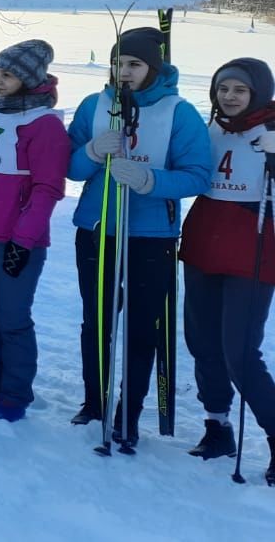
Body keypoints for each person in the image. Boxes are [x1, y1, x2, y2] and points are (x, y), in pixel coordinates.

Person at [67, 26, 211, 450]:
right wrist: (92, 152)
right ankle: (95, 401)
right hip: (97, 228)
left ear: (154, 67)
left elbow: (197, 175)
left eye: (134, 64)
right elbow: (71, 168)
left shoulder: (177, 111)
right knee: (97, 322)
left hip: (151, 234)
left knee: (141, 328)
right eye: (119, 63)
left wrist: (151, 179)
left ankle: (127, 412)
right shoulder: (95, 105)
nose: (124, 72)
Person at [0, 40, 69, 422]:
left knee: (12, 320)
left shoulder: (44, 124)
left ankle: (15, 394)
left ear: (28, 78)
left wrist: (22, 240)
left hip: (17, 241)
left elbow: (47, 188)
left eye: (8, 75)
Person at [179, 57, 275, 477]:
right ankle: (216, 426)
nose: (229, 97)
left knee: (240, 353)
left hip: (251, 252)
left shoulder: (272, 130)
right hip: (202, 245)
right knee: (203, 343)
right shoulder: (211, 127)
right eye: (223, 89)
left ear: (257, 92)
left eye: (239, 90)